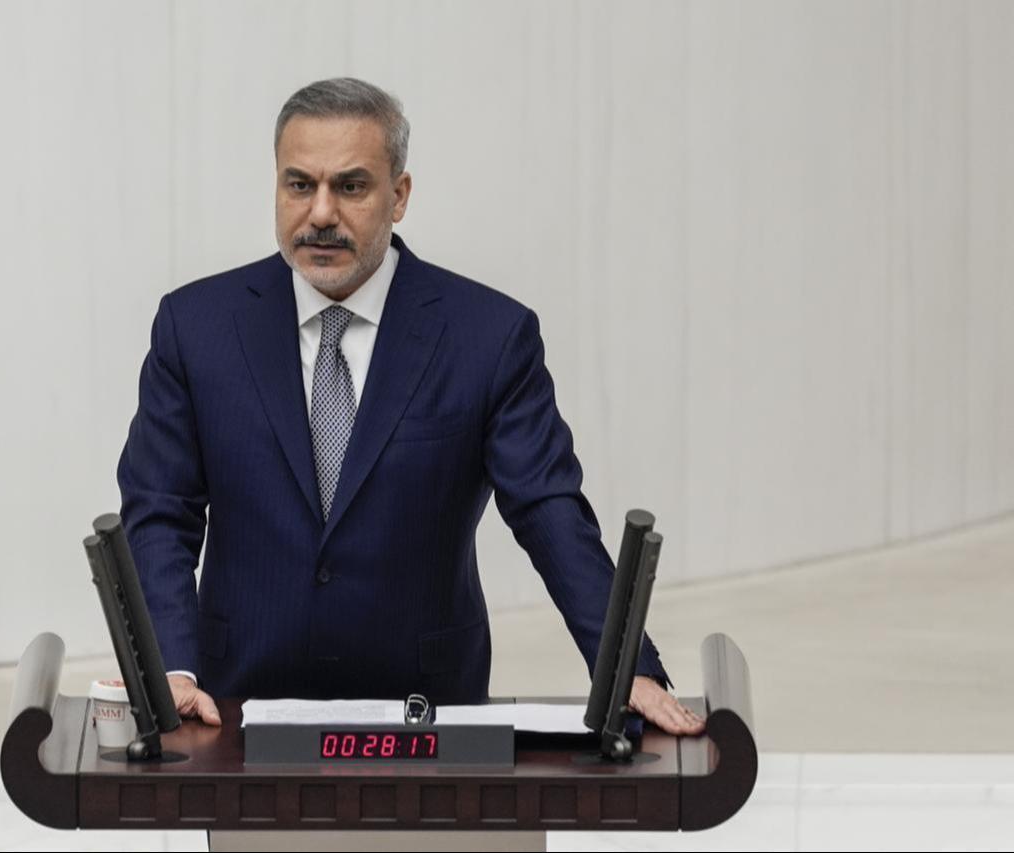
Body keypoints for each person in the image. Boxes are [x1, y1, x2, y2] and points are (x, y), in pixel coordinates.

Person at [117, 77, 704, 737]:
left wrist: (625, 668)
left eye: (351, 186)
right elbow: (160, 511)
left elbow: (549, 509)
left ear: (399, 196)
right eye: (299, 184)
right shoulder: (196, 328)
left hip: (427, 706)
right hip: (235, 706)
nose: (320, 214)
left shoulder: (488, 337)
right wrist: (171, 667)